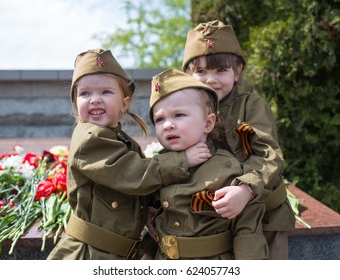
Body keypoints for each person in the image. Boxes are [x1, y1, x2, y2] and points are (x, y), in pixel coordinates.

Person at [47, 49, 211, 260]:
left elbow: (131, 191)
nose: (94, 99)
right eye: (85, 93)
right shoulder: (91, 138)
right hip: (89, 254)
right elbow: (133, 175)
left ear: (125, 103)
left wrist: (149, 208)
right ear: (76, 104)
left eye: (105, 92)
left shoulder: (120, 140)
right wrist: (182, 160)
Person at [182, 20, 295, 259]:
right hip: (213, 221)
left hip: (264, 216)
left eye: (220, 70)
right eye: (201, 71)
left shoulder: (251, 106)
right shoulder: (186, 111)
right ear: (187, 75)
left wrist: (245, 189)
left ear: (237, 71)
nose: (210, 79)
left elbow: (268, 155)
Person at [146, 68, 268, 260]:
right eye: (159, 119)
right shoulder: (156, 166)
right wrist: (146, 251)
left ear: (208, 123)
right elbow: (155, 216)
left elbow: (247, 230)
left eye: (179, 115)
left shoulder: (227, 168)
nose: (167, 124)